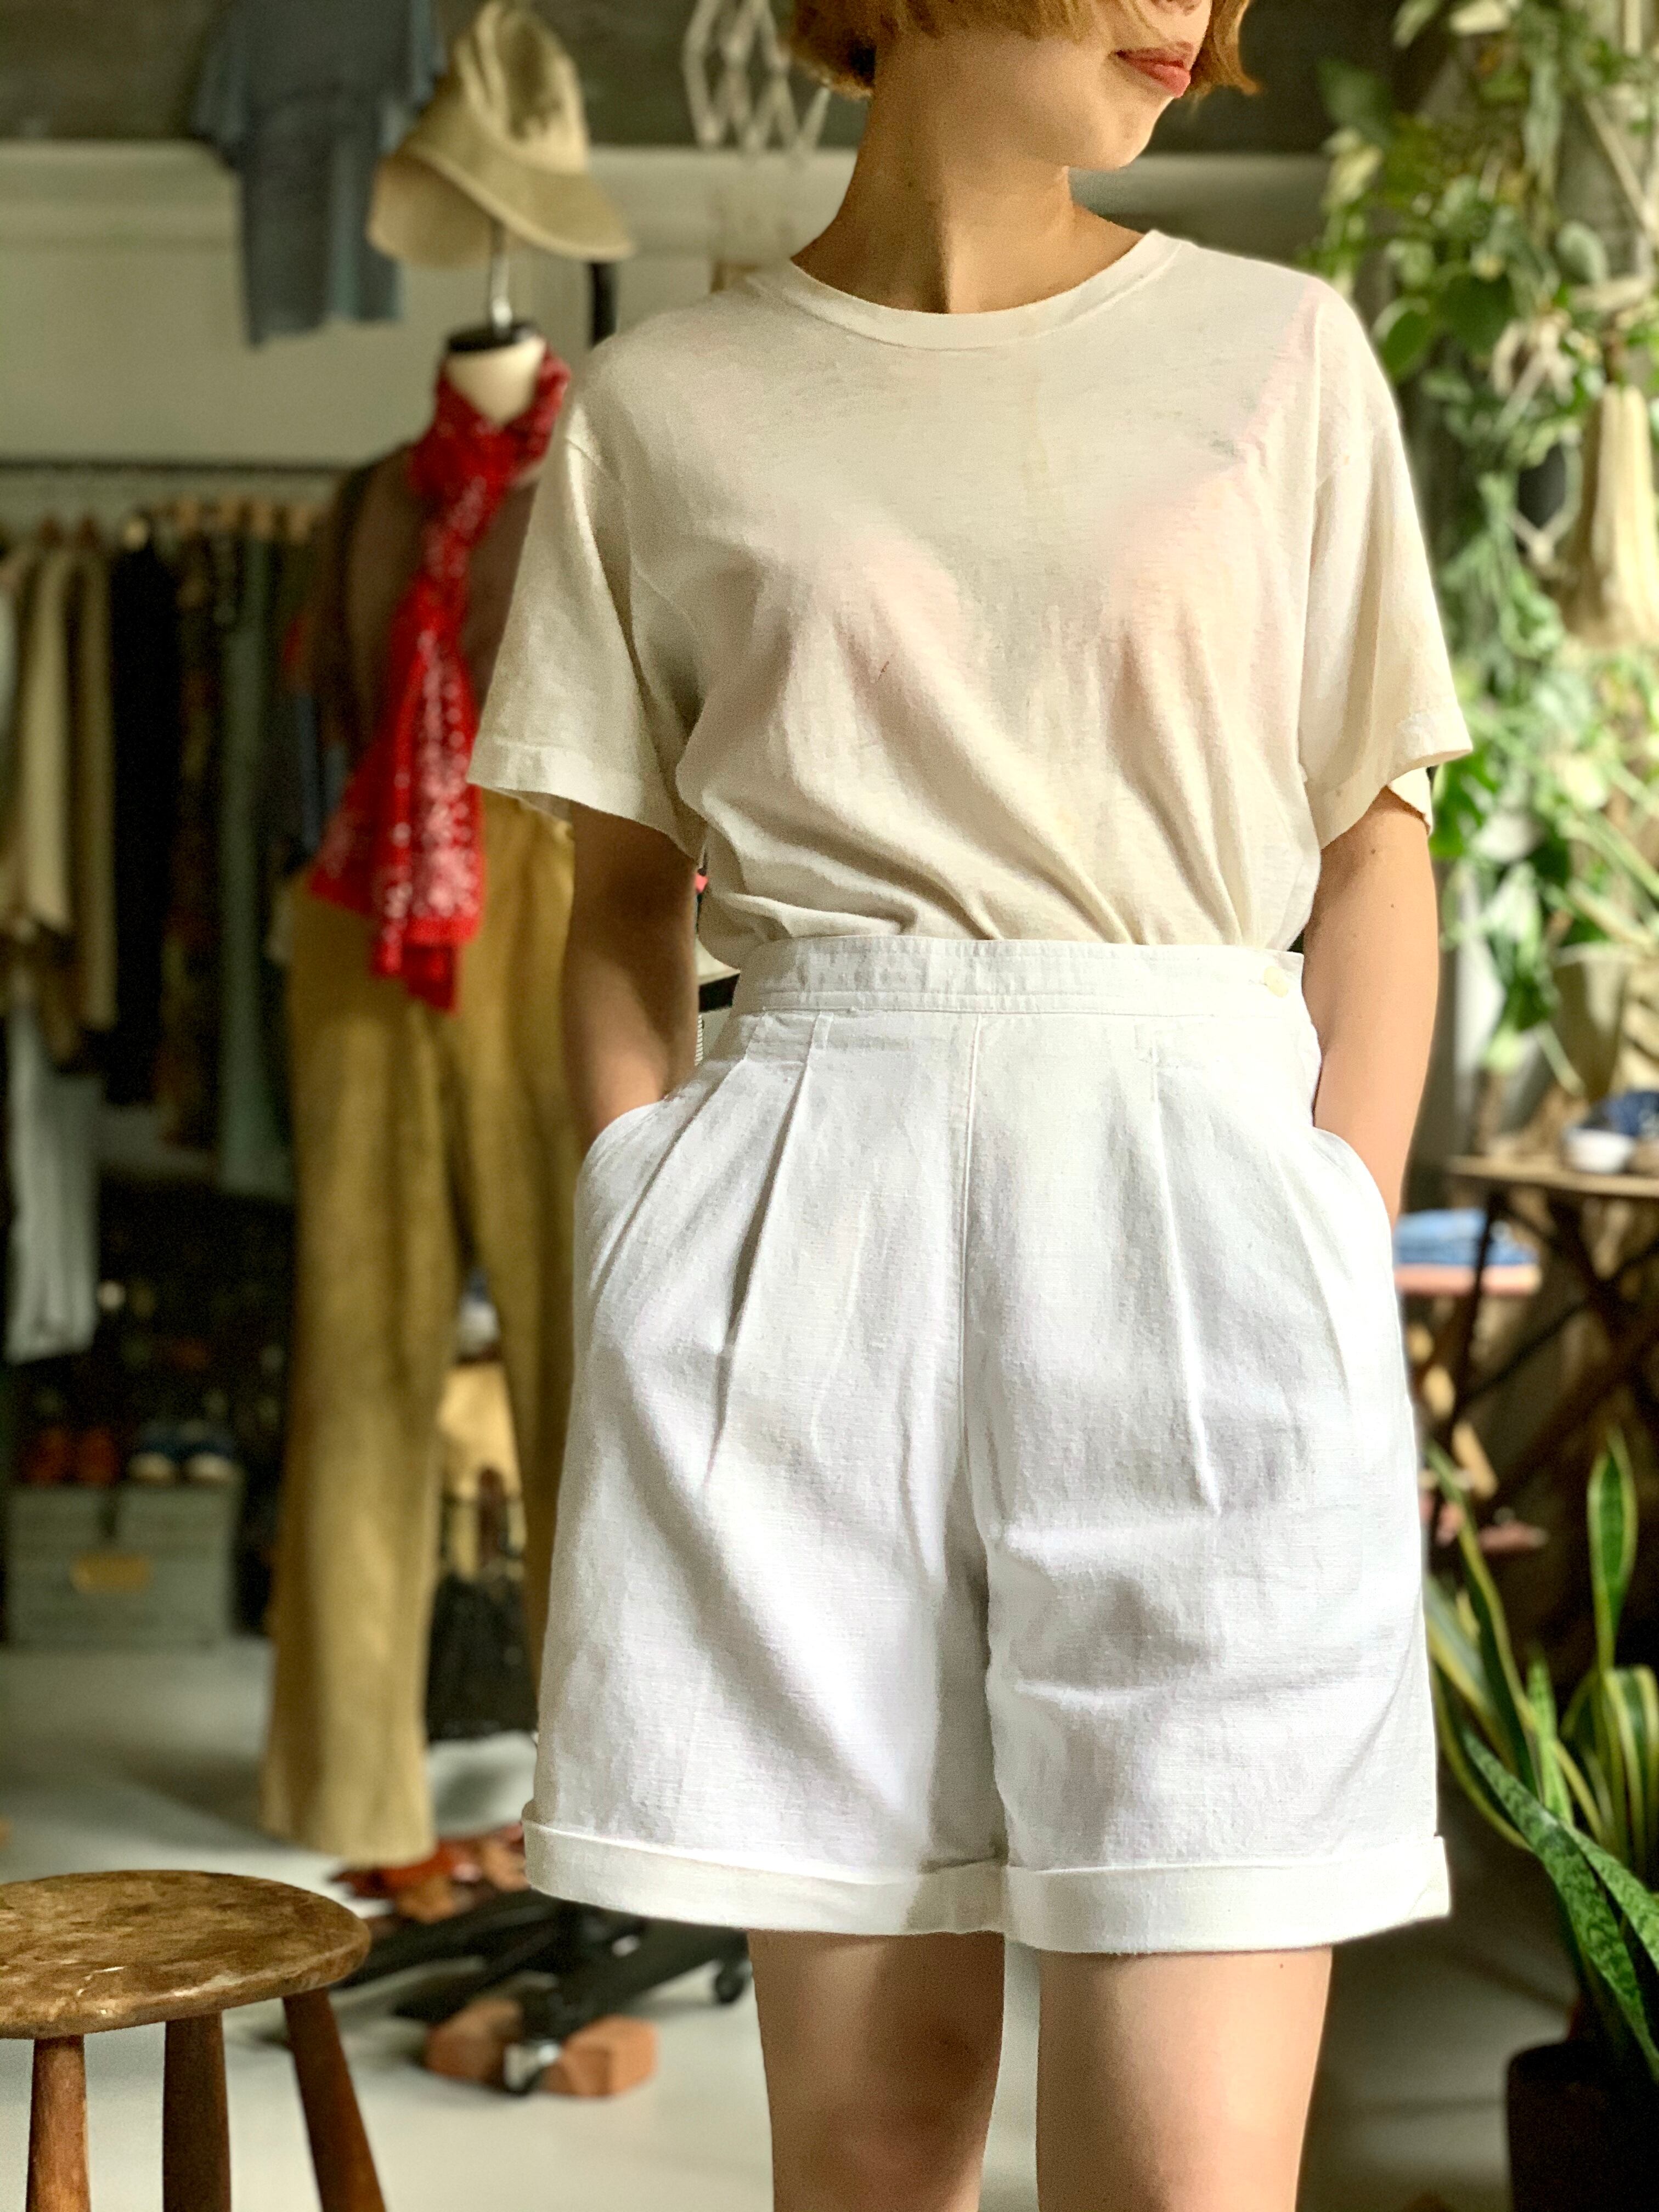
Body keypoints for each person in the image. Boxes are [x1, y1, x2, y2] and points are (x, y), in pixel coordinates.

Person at [469, 2, 1473, 2204]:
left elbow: (1375, 848)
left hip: (1204, 1211)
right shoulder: (665, 407)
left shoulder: (1280, 359)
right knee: (872, 2146)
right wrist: (641, 1213)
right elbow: (619, 900)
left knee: (1188, 2174)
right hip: (802, 1231)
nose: (1199, 12)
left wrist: (1334, 1223)